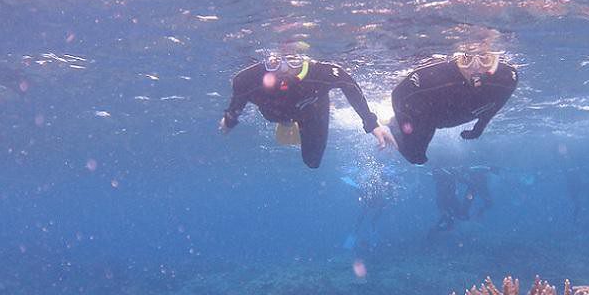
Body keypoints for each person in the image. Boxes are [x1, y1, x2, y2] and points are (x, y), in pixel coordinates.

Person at [219, 54, 396, 168]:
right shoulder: (248, 79)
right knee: (275, 114)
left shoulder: (321, 74)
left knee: (312, 162)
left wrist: (372, 123)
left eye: (292, 61)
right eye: (275, 63)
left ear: (303, 61)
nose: (284, 69)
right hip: (276, 113)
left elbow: (348, 84)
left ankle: (301, 113)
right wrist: (229, 120)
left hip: (312, 109)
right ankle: (287, 122)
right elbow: (237, 101)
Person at [389, 52, 518, 165]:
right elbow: (397, 95)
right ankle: (390, 124)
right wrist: (403, 124)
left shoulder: (507, 78)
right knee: (415, 158)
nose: (475, 67)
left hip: (447, 116)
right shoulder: (435, 75)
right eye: (466, 59)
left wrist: (478, 129)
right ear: (458, 60)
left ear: (495, 59)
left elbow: (494, 106)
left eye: (485, 59)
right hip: (426, 115)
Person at [430, 167, 469, 233]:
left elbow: (463, 180)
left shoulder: (450, 177)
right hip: (444, 201)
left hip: (450, 200)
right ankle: (435, 230)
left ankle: (437, 229)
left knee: (457, 217)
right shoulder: (447, 177)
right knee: (449, 220)